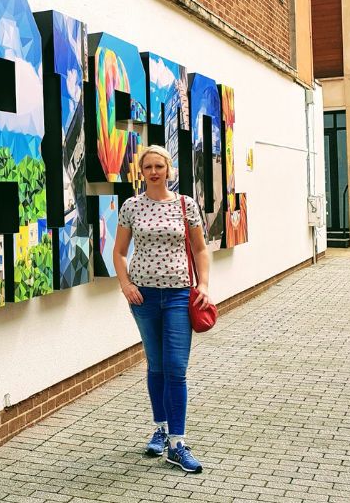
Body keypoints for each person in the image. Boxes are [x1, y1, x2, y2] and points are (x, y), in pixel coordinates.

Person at [112, 145, 213, 473]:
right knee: (156, 365)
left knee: (175, 367)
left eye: (159, 166)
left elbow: (201, 249)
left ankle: (177, 443)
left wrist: (205, 285)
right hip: (143, 298)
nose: (154, 171)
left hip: (180, 297)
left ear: (169, 170)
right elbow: (119, 251)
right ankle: (161, 428)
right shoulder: (131, 207)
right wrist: (126, 285)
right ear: (141, 172)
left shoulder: (186, 206)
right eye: (148, 167)